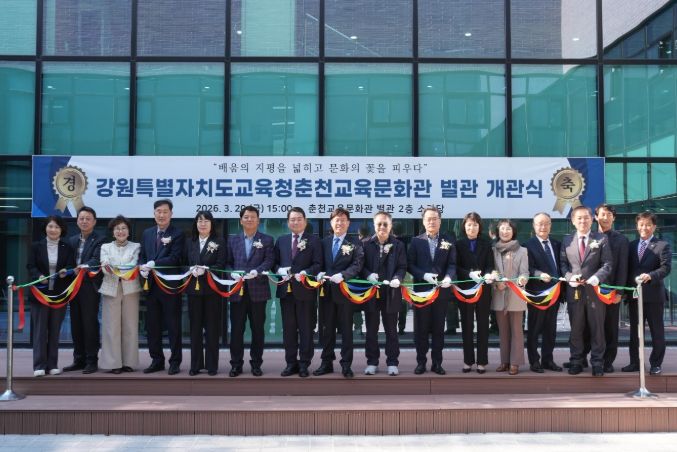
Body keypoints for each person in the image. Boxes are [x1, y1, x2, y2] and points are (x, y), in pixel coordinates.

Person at [560, 205, 612, 376]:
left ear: (592, 219)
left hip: (595, 291)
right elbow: (563, 265)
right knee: (576, 328)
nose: (583, 221)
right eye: (579, 218)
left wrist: (597, 277)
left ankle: (597, 362)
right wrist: (569, 277)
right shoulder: (567, 240)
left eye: (586, 217)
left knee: (597, 328)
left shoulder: (601, 238)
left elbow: (607, 264)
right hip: (574, 291)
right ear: (573, 221)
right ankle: (576, 361)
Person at [314, 207, 364, 378]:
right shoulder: (324, 242)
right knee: (327, 329)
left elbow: (357, 265)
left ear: (348, 223)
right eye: (337, 220)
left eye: (343, 220)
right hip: (326, 292)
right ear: (331, 222)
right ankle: (326, 362)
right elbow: (318, 263)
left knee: (346, 330)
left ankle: (346, 364)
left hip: (345, 292)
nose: (340, 223)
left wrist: (343, 275)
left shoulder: (355, 243)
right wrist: (318, 273)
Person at [407, 206, 456, 375]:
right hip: (421, 292)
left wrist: (449, 277)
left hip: (441, 293)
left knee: (438, 329)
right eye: (428, 219)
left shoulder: (448, 241)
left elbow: (452, 264)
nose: (432, 222)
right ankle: (421, 362)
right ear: (423, 221)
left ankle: (437, 363)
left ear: (440, 221)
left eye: (435, 218)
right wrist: (423, 275)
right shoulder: (416, 241)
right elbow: (410, 265)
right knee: (420, 329)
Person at [274, 207, 322, 378]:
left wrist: (306, 272)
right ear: (288, 222)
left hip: (305, 291)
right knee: (289, 329)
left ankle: (304, 363)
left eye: (299, 219)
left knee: (306, 329)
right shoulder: (281, 241)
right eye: (292, 219)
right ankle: (290, 363)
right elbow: (274, 263)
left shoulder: (314, 240)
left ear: (305, 221)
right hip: (286, 292)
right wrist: (279, 270)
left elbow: (318, 264)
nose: (296, 222)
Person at [227, 206, 274, 377]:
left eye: (253, 217)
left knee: (257, 330)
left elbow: (269, 260)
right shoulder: (232, 240)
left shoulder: (267, 239)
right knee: (236, 330)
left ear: (258, 220)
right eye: (246, 217)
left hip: (258, 291)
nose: (249, 220)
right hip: (237, 290)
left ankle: (256, 364)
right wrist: (231, 273)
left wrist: (258, 271)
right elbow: (227, 262)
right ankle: (236, 364)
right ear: (241, 220)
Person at [139, 199, 185, 375]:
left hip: (169, 286)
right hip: (151, 286)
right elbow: (143, 255)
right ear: (154, 213)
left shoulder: (178, 234)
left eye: (165, 211)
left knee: (173, 326)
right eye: (158, 211)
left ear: (171, 214)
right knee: (153, 326)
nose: (161, 215)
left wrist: (154, 264)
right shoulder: (147, 233)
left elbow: (175, 258)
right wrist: (142, 267)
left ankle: (175, 361)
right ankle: (156, 360)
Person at [623, 211, 672, 375]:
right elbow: (627, 269)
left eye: (648, 225)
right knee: (635, 332)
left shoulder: (662, 245)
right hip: (635, 296)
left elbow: (666, 268)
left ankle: (656, 364)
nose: (644, 227)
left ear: (654, 227)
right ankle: (635, 362)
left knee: (656, 331)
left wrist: (651, 275)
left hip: (653, 296)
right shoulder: (631, 245)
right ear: (637, 226)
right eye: (641, 224)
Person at [26, 215, 75, 377]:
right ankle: (39, 365)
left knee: (54, 331)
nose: (53, 230)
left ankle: (52, 364)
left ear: (62, 230)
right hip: (40, 294)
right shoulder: (36, 246)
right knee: (40, 331)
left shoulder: (67, 247)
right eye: (50, 226)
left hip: (58, 295)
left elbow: (71, 266)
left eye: (57, 227)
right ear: (45, 228)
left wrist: (66, 271)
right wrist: (39, 275)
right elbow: (30, 266)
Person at [360, 211, 407, 376]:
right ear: (374, 225)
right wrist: (368, 275)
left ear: (391, 225)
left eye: (385, 224)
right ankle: (372, 362)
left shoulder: (398, 245)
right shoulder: (365, 244)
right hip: (371, 292)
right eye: (379, 224)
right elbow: (360, 266)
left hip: (391, 292)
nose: (382, 227)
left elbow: (402, 266)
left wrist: (398, 278)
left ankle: (392, 362)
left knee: (391, 330)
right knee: (371, 330)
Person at [184, 210, 227, 376]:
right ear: (196, 224)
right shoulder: (190, 242)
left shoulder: (219, 241)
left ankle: (211, 365)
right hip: (193, 291)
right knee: (195, 328)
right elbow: (182, 263)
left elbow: (221, 265)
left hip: (212, 291)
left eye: (206, 221)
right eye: (200, 221)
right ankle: (195, 365)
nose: (202, 224)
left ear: (211, 224)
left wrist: (207, 270)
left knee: (212, 328)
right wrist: (190, 269)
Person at [63, 206, 104, 374]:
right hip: (74, 287)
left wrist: (83, 267)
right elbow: (67, 262)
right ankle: (78, 359)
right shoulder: (72, 240)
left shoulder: (100, 240)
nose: (84, 221)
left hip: (89, 287)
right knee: (76, 323)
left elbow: (96, 260)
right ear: (77, 221)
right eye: (81, 218)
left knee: (89, 323)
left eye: (88, 219)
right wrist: (66, 270)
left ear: (94, 222)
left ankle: (91, 360)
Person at [98, 215, 141, 374]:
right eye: (117, 228)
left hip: (131, 288)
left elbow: (133, 264)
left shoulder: (136, 246)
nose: (120, 231)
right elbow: (104, 266)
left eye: (124, 228)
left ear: (128, 231)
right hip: (111, 288)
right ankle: (113, 363)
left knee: (130, 325)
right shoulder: (105, 247)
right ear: (113, 231)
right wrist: (111, 266)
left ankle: (129, 362)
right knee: (111, 326)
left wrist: (114, 266)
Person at [524, 212, 563, 373]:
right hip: (537, 294)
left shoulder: (557, 244)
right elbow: (528, 268)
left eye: (546, 223)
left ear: (550, 225)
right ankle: (534, 361)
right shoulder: (527, 245)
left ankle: (548, 360)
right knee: (534, 329)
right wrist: (539, 274)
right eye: (540, 223)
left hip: (555, 294)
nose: (543, 226)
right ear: (534, 226)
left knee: (550, 330)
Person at [455, 212, 494, 374]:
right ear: (464, 227)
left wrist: (488, 274)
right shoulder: (458, 244)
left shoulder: (486, 244)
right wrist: (468, 274)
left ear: (479, 227)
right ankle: (468, 361)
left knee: (483, 325)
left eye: (475, 225)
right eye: (469, 225)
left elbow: (490, 265)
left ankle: (482, 361)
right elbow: (455, 266)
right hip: (465, 289)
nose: (472, 228)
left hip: (483, 289)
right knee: (467, 324)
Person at [594, 204, 629, 373]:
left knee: (610, 327)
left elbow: (623, 267)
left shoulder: (621, 240)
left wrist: (620, 292)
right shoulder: (590, 236)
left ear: (613, 218)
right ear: (596, 217)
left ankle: (608, 361)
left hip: (611, 291)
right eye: (602, 214)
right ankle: (586, 359)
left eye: (609, 214)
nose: (605, 217)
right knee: (590, 326)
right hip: (591, 291)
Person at [491, 219, 528, 376]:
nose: (505, 232)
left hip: (516, 295)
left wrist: (522, 279)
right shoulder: (493, 250)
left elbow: (525, 272)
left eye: (508, 229)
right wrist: (496, 283)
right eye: (502, 229)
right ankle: (504, 361)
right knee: (503, 331)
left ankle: (515, 362)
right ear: (498, 232)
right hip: (499, 294)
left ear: (513, 231)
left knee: (516, 330)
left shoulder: (522, 251)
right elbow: (491, 271)